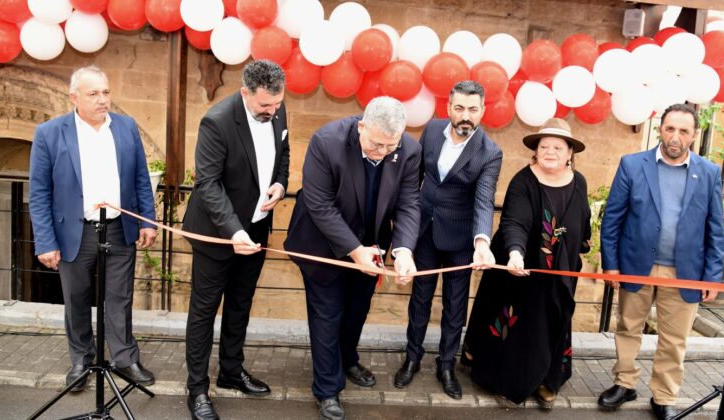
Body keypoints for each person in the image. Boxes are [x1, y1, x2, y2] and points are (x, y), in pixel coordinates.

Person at [284, 96, 420, 420]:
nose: (383, 153)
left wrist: (403, 251)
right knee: (328, 315)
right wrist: (354, 250)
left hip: (371, 247)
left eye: (390, 146)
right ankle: (328, 389)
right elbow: (319, 204)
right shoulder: (326, 142)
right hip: (323, 246)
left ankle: (347, 359)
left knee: (357, 311)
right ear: (361, 126)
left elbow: (409, 204)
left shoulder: (410, 150)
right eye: (376, 144)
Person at [29, 66, 157, 392]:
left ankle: (125, 358)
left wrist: (147, 221)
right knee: (76, 298)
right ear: (74, 98)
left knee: (119, 297)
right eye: (93, 94)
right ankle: (81, 360)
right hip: (75, 232)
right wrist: (45, 241)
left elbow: (142, 178)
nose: (103, 100)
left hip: (119, 229)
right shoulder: (49, 133)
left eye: (106, 92)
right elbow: (40, 193)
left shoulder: (126, 127)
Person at [598, 103, 724, 420]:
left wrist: (711, 276)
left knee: (674, 339)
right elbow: (612, 220)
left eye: (683, 131)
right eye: (670, 129)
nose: (675, 137)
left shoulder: (709, 173)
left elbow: (715, 229)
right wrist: (611, 265)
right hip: (636, 264)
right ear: (660, 130)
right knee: (628, 328)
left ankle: (664, 396)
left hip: (686, 273)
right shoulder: (632, 165)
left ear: (694, 135)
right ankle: (624, 383)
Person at [182, 60, 289, 420]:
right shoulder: (217, 121)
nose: (273, 112)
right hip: (217, 235)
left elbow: (283, 153)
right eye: (265, 107)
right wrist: (234, 232)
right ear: (245, 93)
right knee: (203, 313)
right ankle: (197, 389)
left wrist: (280, 184)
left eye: (276, 105)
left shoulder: (277, 105)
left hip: (257, 230)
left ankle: (231, 372)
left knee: (240, 305)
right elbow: (208, 185)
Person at [462, 118, 591, 409]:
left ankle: (547, 379)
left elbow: (582, 221)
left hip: (561, 272)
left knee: (554, 321)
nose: (550, 151)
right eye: (545, 146)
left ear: (570, 152)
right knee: (523, 325)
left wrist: (582, 243)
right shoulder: (523, 181)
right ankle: (511, 380)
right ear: (536, 150)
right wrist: (516, 253)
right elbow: (514, 221)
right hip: (520, 270)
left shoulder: (579, 182)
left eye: (558, 147)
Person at [394, 81, 503, 400]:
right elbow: (413, 182)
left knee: (455, 307)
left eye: (472, 109)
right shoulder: (431, 130)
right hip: (424, 231)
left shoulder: (490, 152)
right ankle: (412, 358)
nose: (465, 116)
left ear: (482, 111)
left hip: (459, 240)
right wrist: (405, 230)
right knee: (419, 300)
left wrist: (482, 242)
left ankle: (446, 365)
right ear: (448, 109)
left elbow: (484, 199)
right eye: (459, 108)